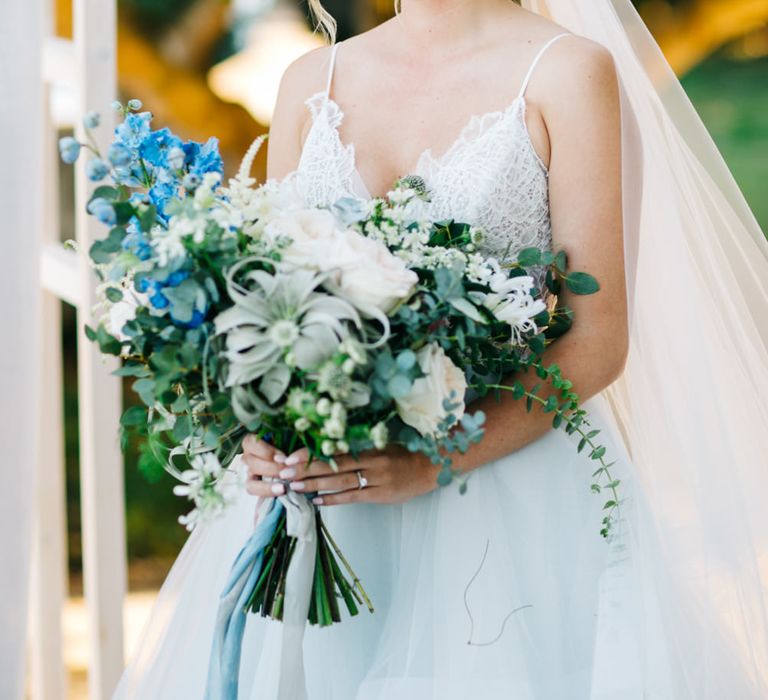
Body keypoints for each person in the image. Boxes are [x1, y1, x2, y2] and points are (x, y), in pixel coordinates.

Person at [114, 1, 768, 697]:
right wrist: (259, 422)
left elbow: (597, 340)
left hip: (506, 505)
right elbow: (267, 293)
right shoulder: (309, 81)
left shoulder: (569, 72)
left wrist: (434, 462)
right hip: (326, 503)